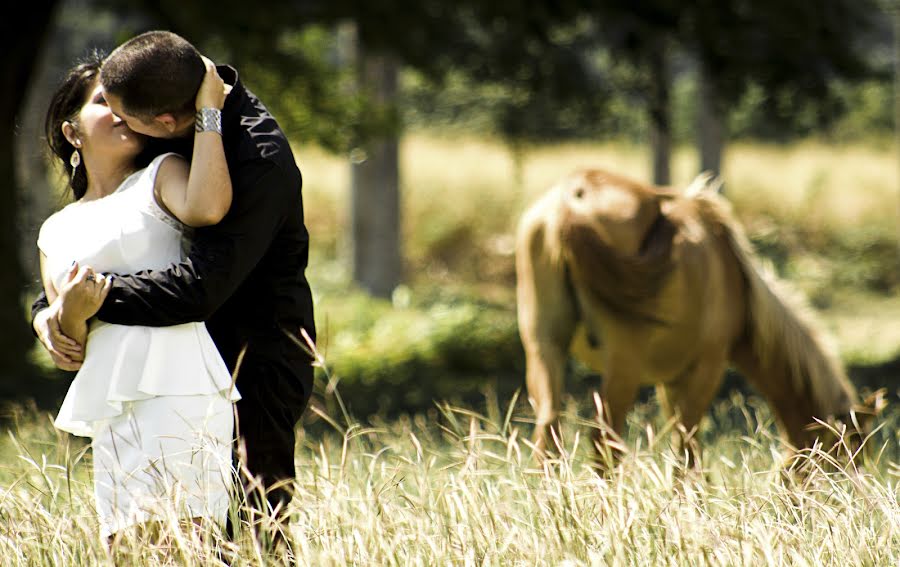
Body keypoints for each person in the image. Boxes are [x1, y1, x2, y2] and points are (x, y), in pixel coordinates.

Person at [31, 31, 317, 526]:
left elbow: (198, 289)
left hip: (252, 359)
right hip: (134, 380)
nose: (120, 117)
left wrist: (88, 303)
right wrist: (48, 315)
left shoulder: (254, 156)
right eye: (106, 104)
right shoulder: (153, 115)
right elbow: (83, 260)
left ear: (163, 120)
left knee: (252, 530)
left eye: (124, 110)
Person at [37, 52, 239, 539]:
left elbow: (209, 208)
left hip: (178, 382)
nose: (121, 110)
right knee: (125, 543)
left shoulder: (161, 174)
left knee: (184, 540)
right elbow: (68, 345)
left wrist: (209, 109)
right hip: (112, 397)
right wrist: (61, 315)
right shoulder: (54, 230)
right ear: (72, 133)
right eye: (104, 101)